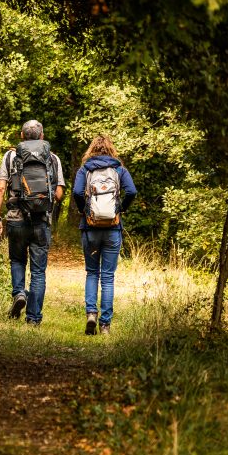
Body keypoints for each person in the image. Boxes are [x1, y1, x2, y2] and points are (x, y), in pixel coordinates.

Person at [0, 120, 66, 326]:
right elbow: (58, 194)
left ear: (21, 136)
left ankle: (19, 294)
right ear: (42, 136)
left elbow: (0, 189)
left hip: (15, 218)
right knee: (39, 271)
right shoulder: (52, 158)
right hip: (41, 220)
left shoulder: (10, 156)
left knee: (17, 261)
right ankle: (33, 319)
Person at [72, 134, 137, 335]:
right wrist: (120, 208)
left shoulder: (85, 169)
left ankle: (91, 313)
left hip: (90, 228)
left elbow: (76, 192)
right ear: (111, 149)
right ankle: (105, 325)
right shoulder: (118, 169)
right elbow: (132, 191)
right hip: (112, 228)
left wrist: (84, 210)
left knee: (92, 273)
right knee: (108, 277)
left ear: (92, 149)